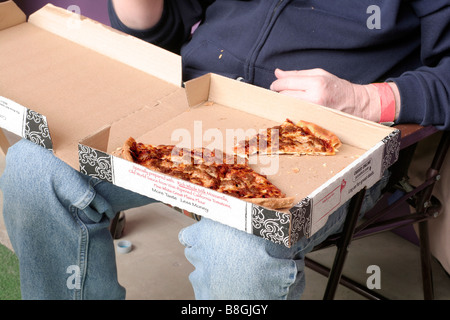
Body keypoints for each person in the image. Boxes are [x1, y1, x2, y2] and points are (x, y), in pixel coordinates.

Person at [1, 0, 449, 300]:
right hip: (191, 109)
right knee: (34, 168)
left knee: (234, 242)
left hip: (321, 140)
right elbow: (163, 30)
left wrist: (365, 100)